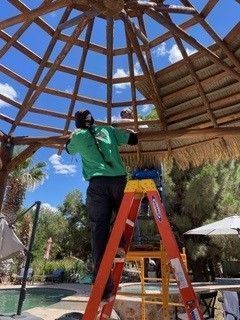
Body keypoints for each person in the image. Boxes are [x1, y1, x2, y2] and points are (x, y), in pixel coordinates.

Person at [66, 109, 138, 301]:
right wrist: (127, 127)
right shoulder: (108, 130)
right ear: (94, 120)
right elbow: (133, 140)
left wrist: (73, 136)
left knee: (99, 231)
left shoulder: (78, 136)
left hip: (97, 185)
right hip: (118, 181)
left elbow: (68, 149)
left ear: (78, 124)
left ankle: (104, 291)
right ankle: (121, 244)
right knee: (123, 215)